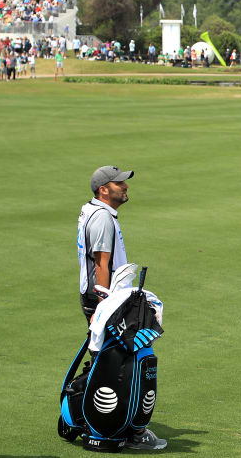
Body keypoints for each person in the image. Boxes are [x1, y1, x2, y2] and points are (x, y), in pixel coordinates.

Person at [76, 165, 167, 450]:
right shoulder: (102, 217)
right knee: (115, 363)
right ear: (103, 189)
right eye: (119, 184)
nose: (125, 187)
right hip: (105, 299)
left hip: (99, 297)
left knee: (109, 361)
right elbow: (102, 263)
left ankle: (102, 421)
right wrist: (105, 308)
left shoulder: (91, 211)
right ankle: (112, 426)